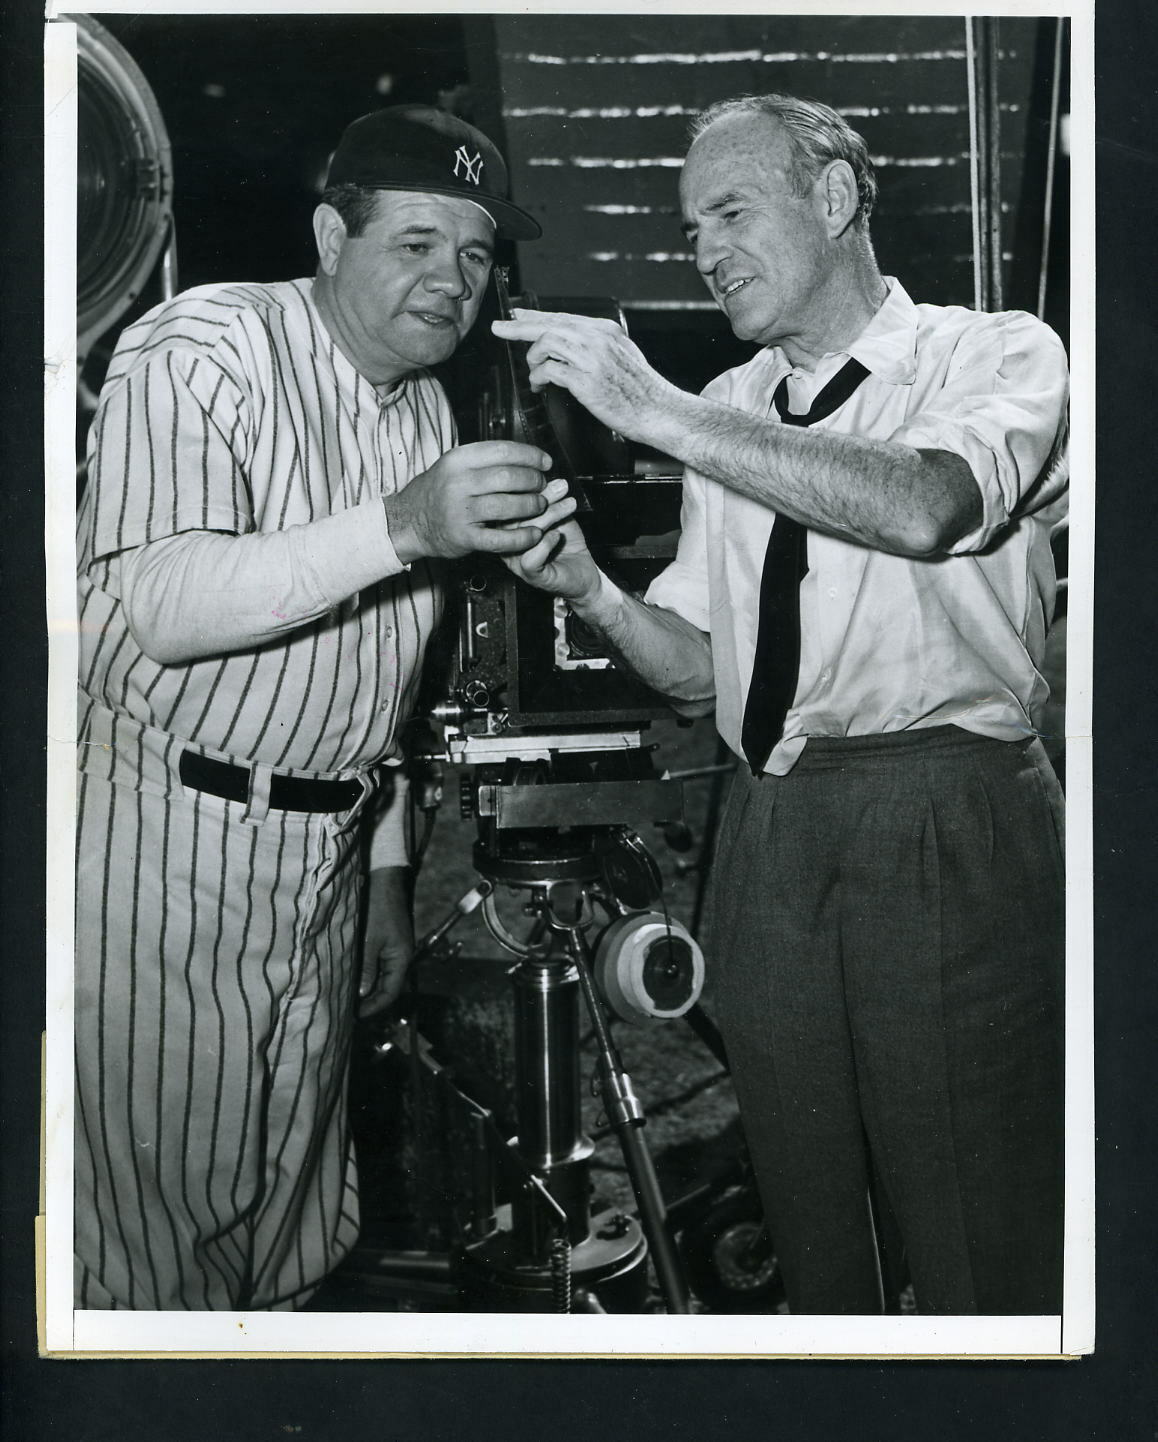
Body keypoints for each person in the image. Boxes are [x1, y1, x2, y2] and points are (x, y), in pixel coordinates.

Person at [495, 93, 1069, 1316]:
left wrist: (657, 410)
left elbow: (926, 505)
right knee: (816, 1236)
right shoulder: (735, 406)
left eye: (730, 211)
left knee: (979, 1235)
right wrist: (588, 586)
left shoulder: (993, 353)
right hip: (770, 836)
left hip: (943, 817)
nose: (703, 251)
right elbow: (707, 667)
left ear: (837, 197)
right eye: (690, 225)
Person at [74, 104, 560, 1310]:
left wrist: (388, 869)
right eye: (417, 242)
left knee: (291, 1222)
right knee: (148, 1248)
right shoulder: (204, 345)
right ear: (331, 233)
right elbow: (168, 605)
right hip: (159, 848)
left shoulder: (426, 411)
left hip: (326, 862)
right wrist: (405, 524)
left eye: (477, 252)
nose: (455, 279)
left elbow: (377, 678)